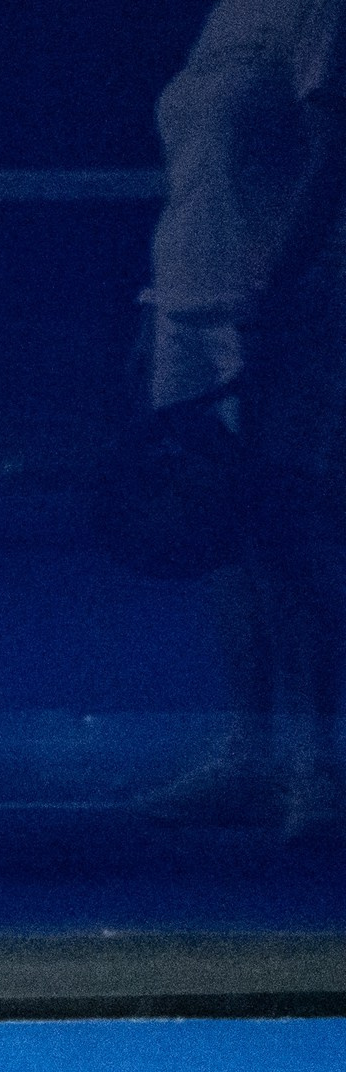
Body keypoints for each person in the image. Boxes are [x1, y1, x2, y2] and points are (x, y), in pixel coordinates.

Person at [133, 0, 345, 843]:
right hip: (191, 310)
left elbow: (332, 160)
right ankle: (248, 750)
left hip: (279, 315)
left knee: (291, 538)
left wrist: (278, 283)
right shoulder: (227, 17)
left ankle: (317, 764)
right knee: (225, 539)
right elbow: (198, 179)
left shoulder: (320, 12)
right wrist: (153, 311)